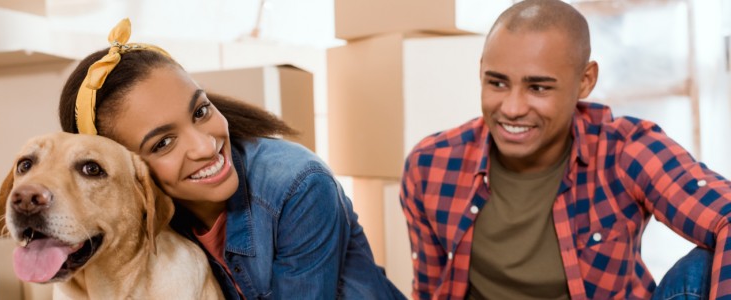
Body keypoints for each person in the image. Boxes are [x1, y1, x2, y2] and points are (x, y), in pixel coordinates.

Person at [400, 0, 727, 299]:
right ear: (481, 69)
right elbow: (430, 291)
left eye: (538, 87)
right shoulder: (430, 165)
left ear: (585, 81)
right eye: (497, 83)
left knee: (701, 269)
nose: (512, 108)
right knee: (344, 210)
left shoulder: (625, 150)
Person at [58, 19, 404, 299]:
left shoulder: (298, 185)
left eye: (200, 111)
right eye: (163, 142)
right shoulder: (146, 219)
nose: (205, 147)